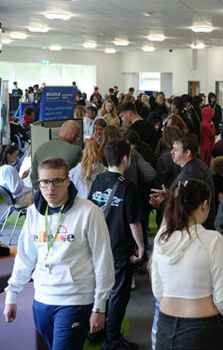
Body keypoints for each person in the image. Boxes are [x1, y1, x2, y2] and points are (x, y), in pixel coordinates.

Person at [4, 157, 115, 350]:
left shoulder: (89, 212)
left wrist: (100, 306)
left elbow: (103, 261)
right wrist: (12, 295)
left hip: (76, 299)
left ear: (68, 181)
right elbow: (25, 258)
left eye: (57, 181)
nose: (50, 188)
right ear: (39, 182)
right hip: (42, 299)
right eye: (45, 182)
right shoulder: (33, 213)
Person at [151, 179, 223, 350]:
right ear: (205, 204)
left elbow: (157, 290)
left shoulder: (161, 238)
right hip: (203, 329)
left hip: (165, 325)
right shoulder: (213, 240)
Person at [89, 140, 145, 350]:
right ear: (125, 159)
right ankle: (112, 340)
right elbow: (134, 222)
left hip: (97, 246)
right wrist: (140, 247)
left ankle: (97, 331)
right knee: (118, 294)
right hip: (120, 247)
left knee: (99, 289)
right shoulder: (128, 188)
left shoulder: (97, 180)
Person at [150, 133, 215, 229]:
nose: (171, 152)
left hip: (195, 229)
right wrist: (169, 194)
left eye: (175, 150)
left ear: (187, 153)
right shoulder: (196, 165)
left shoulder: (189, 174)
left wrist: (161, 204)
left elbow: (179, 206)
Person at [31, 120, 83, 190]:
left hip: (43, 194)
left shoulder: (40, 148)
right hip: (65, 195)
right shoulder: (76, 151)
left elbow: (34, 178)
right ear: (73, 136)